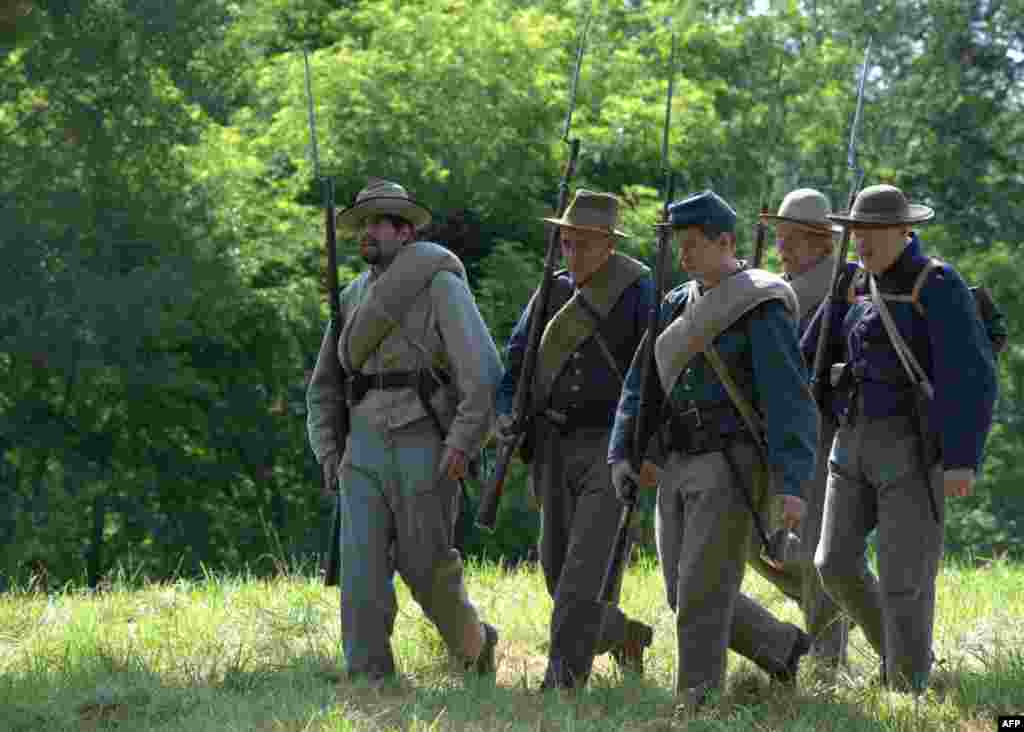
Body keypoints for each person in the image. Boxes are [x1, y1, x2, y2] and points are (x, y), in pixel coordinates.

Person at [609, 190, 818, 707]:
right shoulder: (676, 303)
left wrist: (793, 484)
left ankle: (696, 702)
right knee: (682, 591)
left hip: (730, 465)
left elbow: (789, 398)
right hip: (677, 460)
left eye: (695, 244)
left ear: (726, 242)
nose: (684, 255)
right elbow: (644, 384)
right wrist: (626, 451)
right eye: (680, 245)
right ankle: (780, 646)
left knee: (702, 593)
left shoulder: (760, 305)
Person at [802, 184, 998, 692]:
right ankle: (902, 656)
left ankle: (905, 691)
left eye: (870, 232)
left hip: (912, 447)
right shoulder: (850, 283)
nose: (861, 241)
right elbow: (810, 354)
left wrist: (960, 458)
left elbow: (970, 376)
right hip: (850, 441)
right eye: (855, 232)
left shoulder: (937, 284)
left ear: (900, 231)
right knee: (833, 563)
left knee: (903, 579)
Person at [306, 178, 503, 683]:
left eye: (380, 222)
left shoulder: (441, 285)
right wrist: (330, 451)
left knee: (427, 568)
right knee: (361, 572)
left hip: (424, 441)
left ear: (406, 232)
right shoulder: (350, 298)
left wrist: (462, 441)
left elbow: (481, 369)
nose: (367, 232)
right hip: (363, 445)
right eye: (363, 223)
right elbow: (324, 385)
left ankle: (475, 645)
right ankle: (370, 679)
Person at [495, 189, 655, 691]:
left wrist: (642, 447)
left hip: (609, 447)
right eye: (566, 243)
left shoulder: (637, 291)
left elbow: (655, 372)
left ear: (609, 243)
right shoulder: (551, 291)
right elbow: (517, 359)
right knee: (556, 571)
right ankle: (624, 635)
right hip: (552, 443)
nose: (573, 253)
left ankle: (562, 686)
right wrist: (505, 414)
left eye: (583, 243)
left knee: (583, 575)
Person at [748, 188, 854, 670]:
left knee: (814, 549)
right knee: (754, 541)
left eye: (792, 239)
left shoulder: (847, 287)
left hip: (824, 430)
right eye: (779, 237)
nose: (782, 248)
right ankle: (836, 607)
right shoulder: (774, 288)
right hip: (773, 432)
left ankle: (827, 660)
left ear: (821, 243)